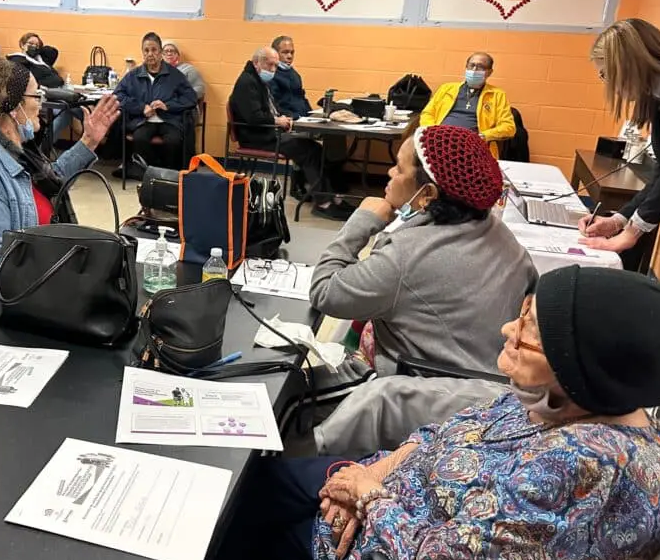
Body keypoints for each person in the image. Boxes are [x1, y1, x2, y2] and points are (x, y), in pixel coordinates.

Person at [191, 264, 660, 560]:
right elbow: (452, 431)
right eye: (523, 314)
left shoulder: (581, 467)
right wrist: (378, 473)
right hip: (392, 495)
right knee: (257, 483)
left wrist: (366, 497)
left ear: (586, 362)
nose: (507, 329)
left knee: (232, 536)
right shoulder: (572, 398)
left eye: (530, 331)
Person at [311, 124, 537, 376]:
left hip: (421, 392)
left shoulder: (405, 255)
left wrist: (361, 222)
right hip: (483, 380)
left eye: (399, 168)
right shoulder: (499, 232)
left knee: (295, 392)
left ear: (426, 194)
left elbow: (323, 293)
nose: (390, 172)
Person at [0, 57, 120, 320]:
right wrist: (64, 264)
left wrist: (89, 141)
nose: (40, 103)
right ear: (13, 106)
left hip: (34, 292)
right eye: (37, 95)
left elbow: (50, 181)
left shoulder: (16, 150)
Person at [580, 18, 660, 259]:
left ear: (628, 63)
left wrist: (633, 231)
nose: (608, 83)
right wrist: (619, 220)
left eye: (605, 74)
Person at [229, 46, 350, 220]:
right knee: (308, 151)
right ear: (256, 63)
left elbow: (271, 108)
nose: (272, 70)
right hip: (257, 137)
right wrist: (277, 121)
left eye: (275, 66)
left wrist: (283, 117)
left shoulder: (258, 80)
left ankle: (330, 198)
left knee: (315, 149)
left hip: (269, 132)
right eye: (269, 65)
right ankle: (324, 203)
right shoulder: (246, 83)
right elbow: (253, 117)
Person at [114, 31, 197, 171]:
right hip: (143, 120)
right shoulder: (133, 75)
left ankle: (168, 172)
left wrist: (168, 106)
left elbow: (190, 98)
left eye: (154, 50)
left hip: (169, 121)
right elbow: (118, 95)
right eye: (146, 50)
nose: (150, 54)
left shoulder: (175, 75)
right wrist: (141, 108)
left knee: (174, 141)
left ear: (160, 53)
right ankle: (148, 172)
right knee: (139, 138)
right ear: (142, 53)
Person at [420, 52, 515, 157]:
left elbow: (509, 127)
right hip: (440, 142)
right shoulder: (446, 88)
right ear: (466, 67)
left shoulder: (497, 95)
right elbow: (427, 113)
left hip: (473, 148)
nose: (474, 70)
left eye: (480, 67)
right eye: (472, 65)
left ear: (489, 72)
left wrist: (484, 136)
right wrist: (433, 130)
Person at [269, 35, 310, 120]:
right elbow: (274, 105)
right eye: (285, 52)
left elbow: (302, 98)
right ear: (274, 53)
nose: (290, 56)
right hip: (288, 121)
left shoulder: (294, 74)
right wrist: (295, 116)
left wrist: (311, 115)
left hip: (303, 119)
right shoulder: (271, 75)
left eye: (292, 52)